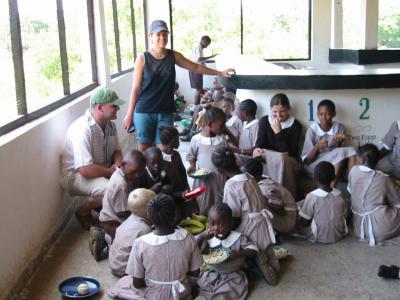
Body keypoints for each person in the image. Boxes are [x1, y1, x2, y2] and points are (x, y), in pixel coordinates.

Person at [122, 20, 234, 152]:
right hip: (145, 111)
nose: (162, 38)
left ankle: (161, 173)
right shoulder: (142, 58)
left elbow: (196, 67)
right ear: (151, 36)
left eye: (165, 34)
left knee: (164, 149)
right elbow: (135, 88)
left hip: (165, 111)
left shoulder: (173, 55)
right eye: (158, 34)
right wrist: (129, 114)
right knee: (145, 149)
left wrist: (220, 73)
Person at [107, 194, 203, 299]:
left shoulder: (140, 243)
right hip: (181, 292)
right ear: (175, 215)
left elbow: (137, 283)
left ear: (148, 215)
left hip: (153, 295)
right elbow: (195, 272)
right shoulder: (188, 238)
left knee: (123, 283)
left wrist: (157, 283)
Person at [211, 147, 280, 286]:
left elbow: (233, 217)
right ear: (235, 160)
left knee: (227, 240)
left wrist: (220, 235)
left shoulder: (231, 185)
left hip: (250, 227)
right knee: (265, 247)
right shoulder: (249, 176)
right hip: (264, 224)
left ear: (218, 170)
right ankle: (268, 258)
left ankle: (253, 260)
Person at [60, 87, 125, 230]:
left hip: (100, 169)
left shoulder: (110, 125)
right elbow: (84, 169)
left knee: (129, 176)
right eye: (114, 106)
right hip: (75, 176)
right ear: (101, 107)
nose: (118, 108)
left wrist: (118, 165)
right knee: (114, 188)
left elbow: (117, 151)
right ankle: (83, 210)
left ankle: (102, 205)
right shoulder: (82, 129)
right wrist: (111, 172)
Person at [195, 203, 258, 300]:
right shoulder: (209, 238)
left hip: (231, 274)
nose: (216, 228)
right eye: (212, 224)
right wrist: (201, 236)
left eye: (221, 225)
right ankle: (211, 294)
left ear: (230, 224)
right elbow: (195, 249)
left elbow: (254, 250)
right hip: (212, 272)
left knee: (231, 290)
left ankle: (218, 296)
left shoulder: (238, 238)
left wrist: (238, 254)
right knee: (201, 281)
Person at [348, 144, 400, 246]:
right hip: (381, 228)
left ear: (363, 159)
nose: (356, 159)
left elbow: (352, 191)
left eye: (358, 157)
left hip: (359, 228)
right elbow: (397, 202)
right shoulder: (384, 178)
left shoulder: (353, 171)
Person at [253, 93, 302, 198]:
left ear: (288, 109)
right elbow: (259, 144)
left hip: (288, 161)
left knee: (282, 158)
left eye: (282, 111)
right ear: (271, 110)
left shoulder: (295, 125)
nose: (278, 115)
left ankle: (286, 196)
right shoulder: (264, 121)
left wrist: (278, 133)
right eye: (275, 112)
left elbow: (290, 152)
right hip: (268, 158)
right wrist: (257, 149)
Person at [186, 106, 233, 215]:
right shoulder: (197, 139)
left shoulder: (222, 140)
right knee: (203, 204)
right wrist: (193, 168)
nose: (224, 128)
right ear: (211, 124)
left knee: (219, 205)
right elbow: (191, 156)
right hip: (203, 180)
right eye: (222, 125)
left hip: (220, 179)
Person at [301, 99, 356, 187]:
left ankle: (352, 184)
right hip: (314, 166)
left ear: (333, 114)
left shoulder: (339, 127)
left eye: (327, 114)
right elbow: (307, 161)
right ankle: (331, 190)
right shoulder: (312, 130)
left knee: (349, 153)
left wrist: (339, 142)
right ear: (317, 114)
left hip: (332, 164)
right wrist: (317, 147)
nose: (324, 117)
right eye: (321, 114)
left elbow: (340, 153)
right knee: (349, 151)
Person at [241, 156, 297, 234]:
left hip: (286, 221)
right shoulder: (263, 178)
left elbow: (280, 210)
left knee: (256, 206)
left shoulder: (265, 189)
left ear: (252, 177)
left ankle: (270, 234)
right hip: (288, 215)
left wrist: (264, 201)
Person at [296, 161, 348, 243]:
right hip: (337, 235)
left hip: (317, 237)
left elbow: (304, 222)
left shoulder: (311, 196)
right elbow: (344, 214)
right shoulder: (339, 194)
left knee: (297, 215)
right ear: (334, 178)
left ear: (314, 178)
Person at [108, 188, 155, 277]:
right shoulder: (144, 229)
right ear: (148, 212)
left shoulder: (131, 218)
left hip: (114, 264)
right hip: (124, 270)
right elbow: (148, 254)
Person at [159, 125, 189, 192]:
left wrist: (186, 188)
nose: (179, 142)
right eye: (177, 139)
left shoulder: (176, 155)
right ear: (172, 140)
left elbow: (183, 173)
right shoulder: (159, 158)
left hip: (180, 191)